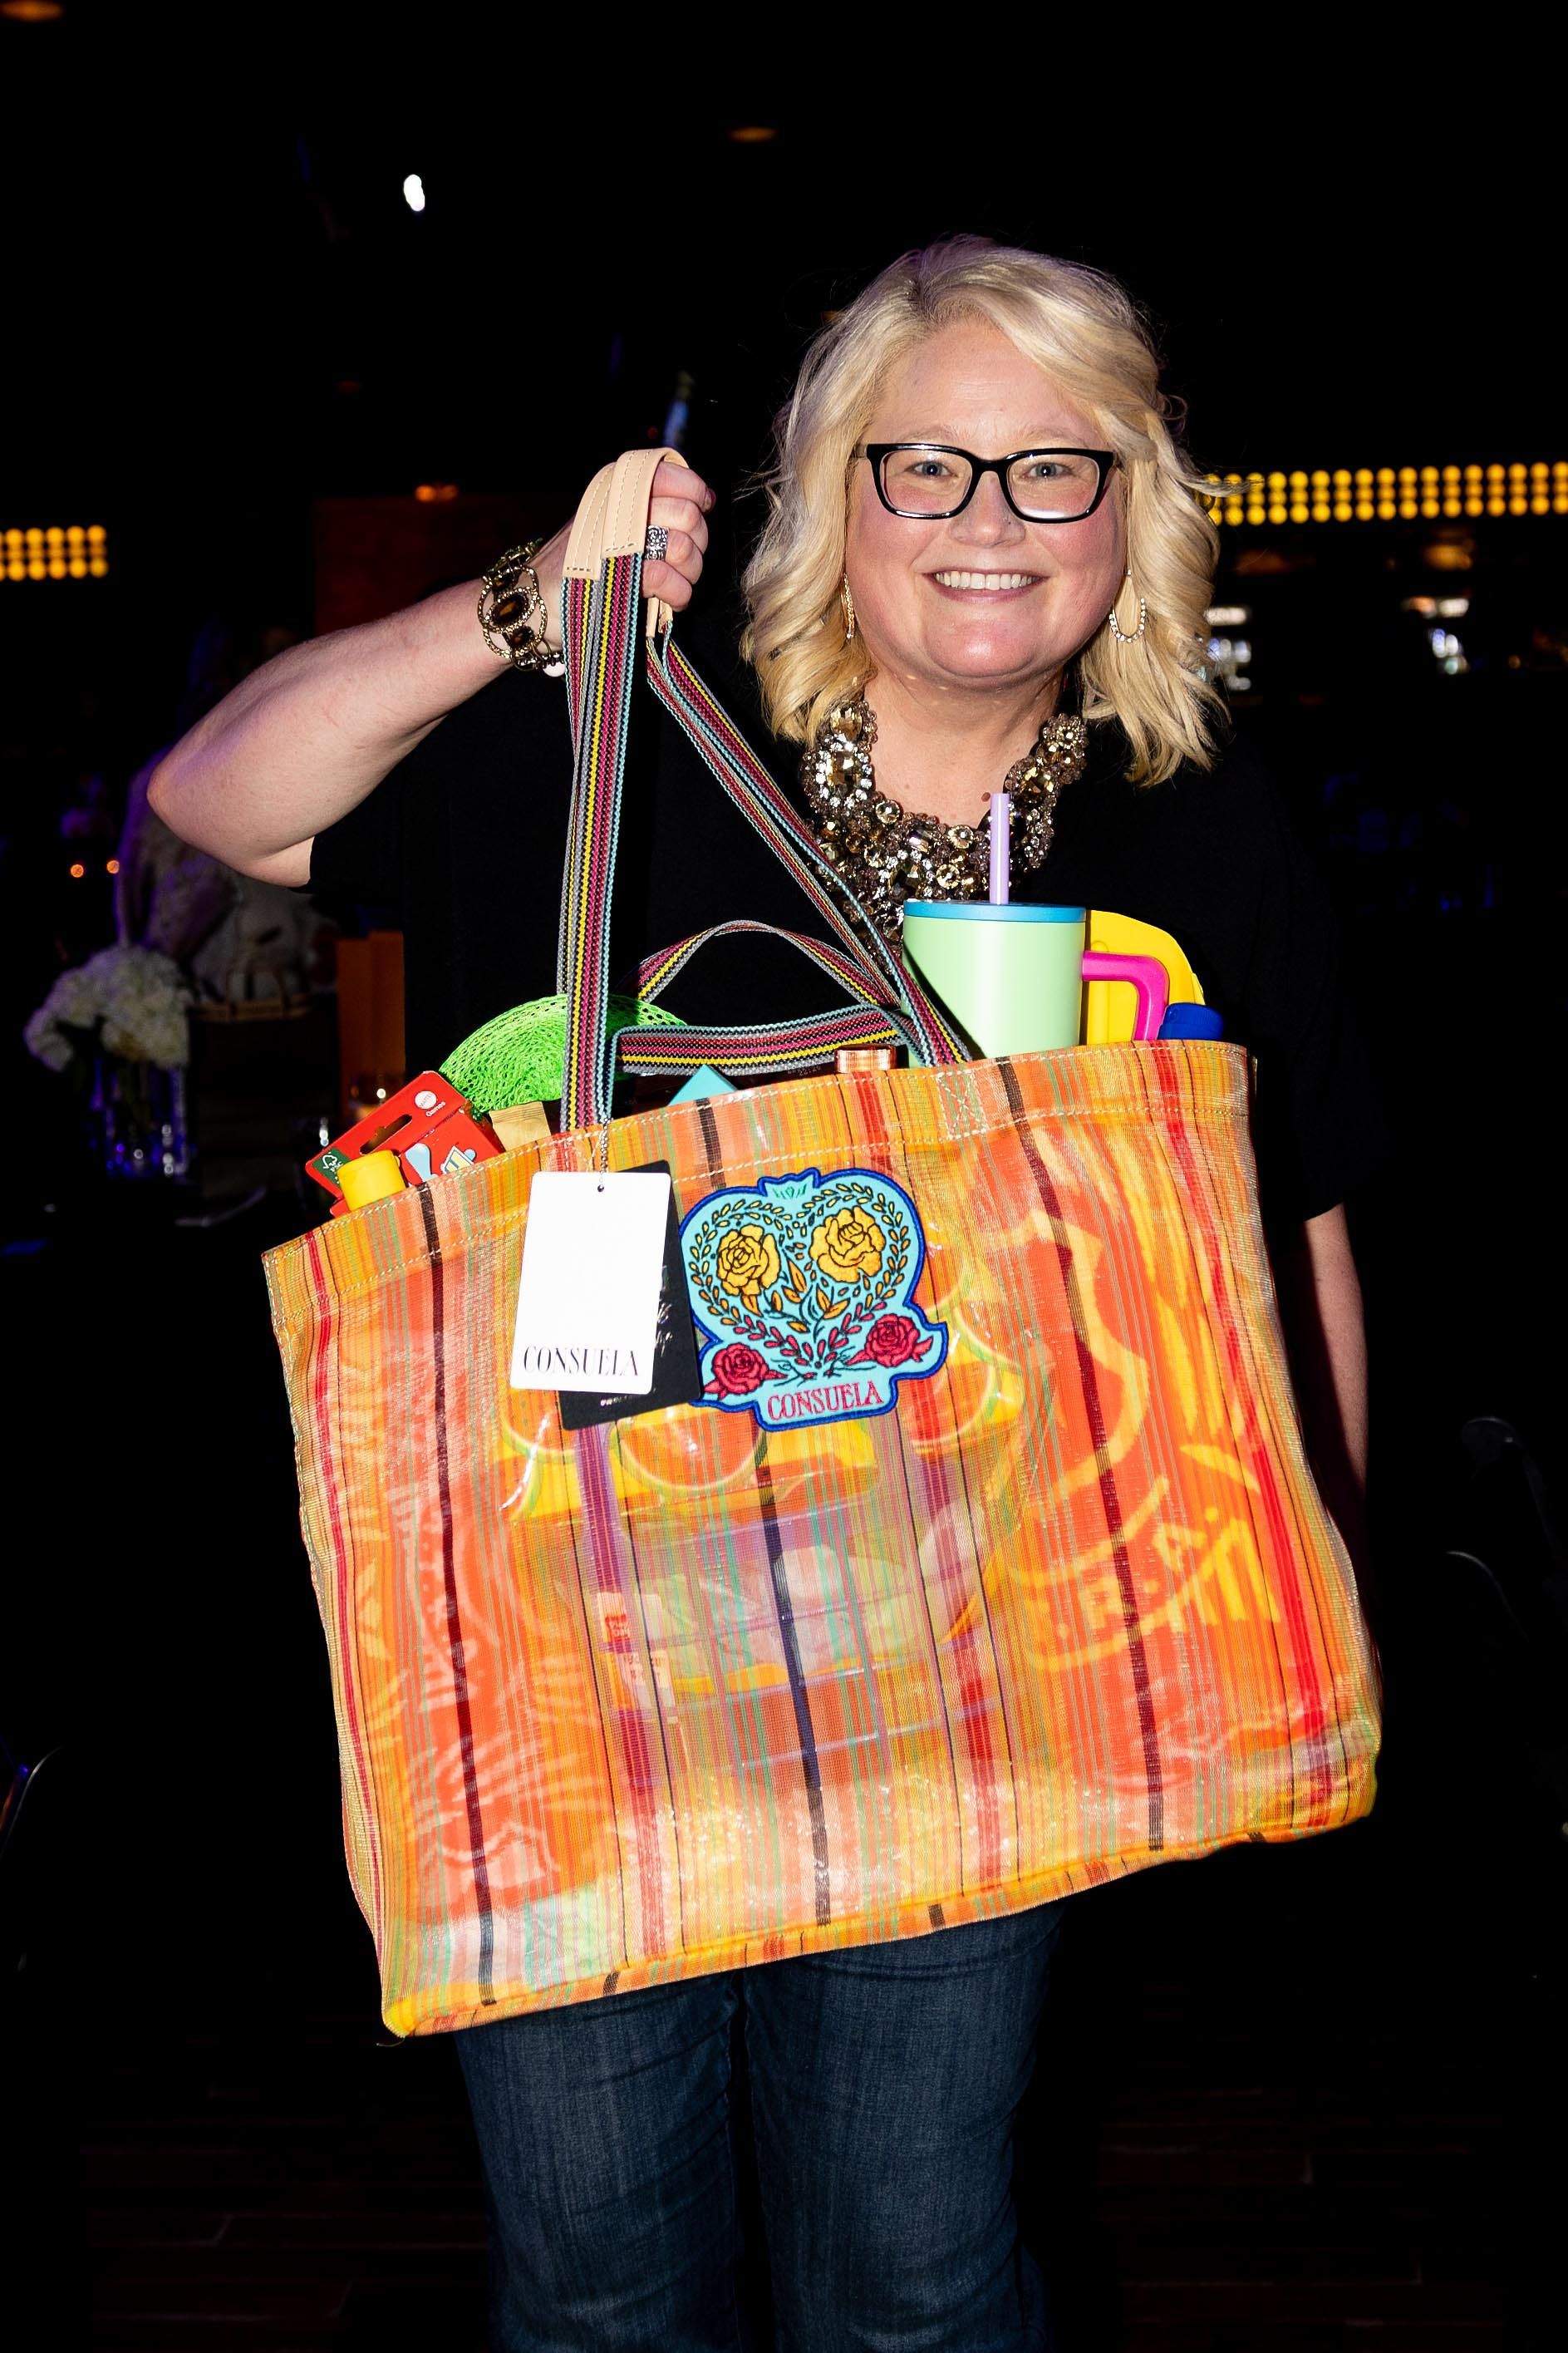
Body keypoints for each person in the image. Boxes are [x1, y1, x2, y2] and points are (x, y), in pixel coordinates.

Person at [150, 236, 1379, 2351]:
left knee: (914, 2280)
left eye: (1053, 470)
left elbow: (1301, 1223)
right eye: (925, 466)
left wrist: (1309, 1590)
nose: (988, 524)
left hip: (973, 1645)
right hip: (577, 1639)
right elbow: (215, 800)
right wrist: (531, 601)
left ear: (1135, 513)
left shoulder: (1184, 819)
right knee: (607, 2293)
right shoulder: (619, 735)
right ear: (828, 494)